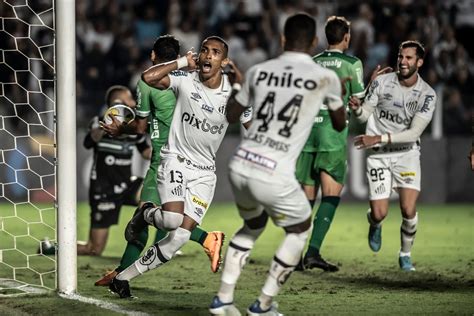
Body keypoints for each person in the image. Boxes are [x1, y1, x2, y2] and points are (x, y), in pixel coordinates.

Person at [209, 13, 346, 315]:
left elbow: (233, 116)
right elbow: (339, 123)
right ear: (314, 42)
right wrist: (340, 95)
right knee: (299, 229)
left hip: (241, 164)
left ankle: (223, 298)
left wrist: (236, 87)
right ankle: (263, 304)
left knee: (253, 224)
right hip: (273, 171)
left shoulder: (259, 71)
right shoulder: (325, 77)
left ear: (282, 39)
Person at [108, 35, 251, 298]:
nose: (208, 56)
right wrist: (182, 61)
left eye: (215, 52)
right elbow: (148, 79)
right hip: (175, 160)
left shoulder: (233, 93)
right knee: (172, 220)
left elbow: (250, 126)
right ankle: (147, 214)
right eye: (205, 51)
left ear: (224, 61)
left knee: (179, 238)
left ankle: (122, 278)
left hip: (205, 172)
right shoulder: (186, 81)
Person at [349, 40, 437, 271]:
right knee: (379, 213)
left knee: (408, 209)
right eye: (400, 56)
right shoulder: (381, 82)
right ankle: (375, 223)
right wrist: (357, 108)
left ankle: (405, 254)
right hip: (379, 155)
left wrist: (378, 138)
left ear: (419, 62)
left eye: (409, 58)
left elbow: (414, 133)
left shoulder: (427, 95)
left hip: (406, 154)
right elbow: (363, 115)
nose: (403, 61)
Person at [294, 16, 366, 272]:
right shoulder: (352, 63)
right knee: (331, 195)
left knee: (305, 200)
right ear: (346, 37)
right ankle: (312, 252)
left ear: (326, 37)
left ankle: (293, 255)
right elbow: (358, 100)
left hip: (307, 135)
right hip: (332, 135)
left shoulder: (311, 63)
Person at [81, 85, 150, 256]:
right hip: (103, 189)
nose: (134, 102)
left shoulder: (134, 127)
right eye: (130, 98)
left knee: (156, 194)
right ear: (117, 102)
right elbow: (89, 142)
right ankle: (54, 247)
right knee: (94, 249)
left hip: (127, 184)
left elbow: (146, 152)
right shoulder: (99, 122)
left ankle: (156, 244)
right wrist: (107, 123)